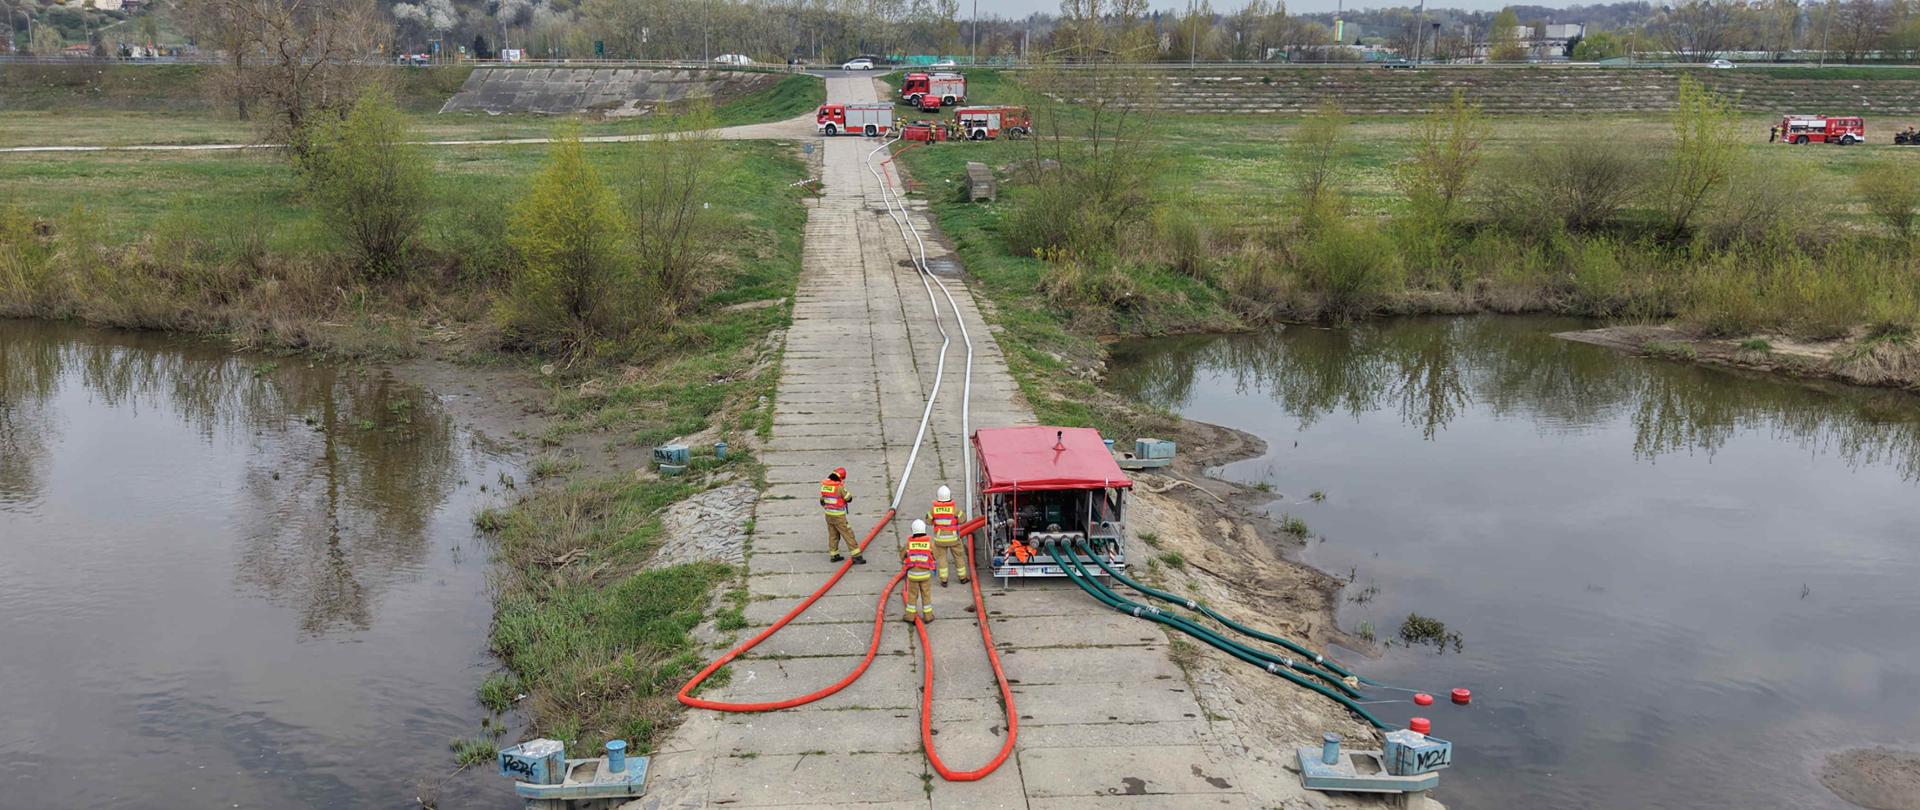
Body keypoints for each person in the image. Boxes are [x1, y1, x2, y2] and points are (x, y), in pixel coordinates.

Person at [820, 467, 866, 564]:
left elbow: (822, 500)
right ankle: (857, 556)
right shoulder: (839, 487)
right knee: (848, 534)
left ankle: (834, 555)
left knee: (833, 535)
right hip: (839, 516)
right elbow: (848, 498)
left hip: (828, 515)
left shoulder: (824, 486)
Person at [926, 484, 968, 587]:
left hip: (940, 540)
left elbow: (928, 521)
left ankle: (944, 580)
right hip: (954, 539)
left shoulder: (933, 510)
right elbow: (963, 519)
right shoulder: (955, 509)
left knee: (942, 559)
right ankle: (962, 578)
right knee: (958, 557)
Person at [900, 520, 936, 622]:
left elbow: (902, 556)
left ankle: (910, 617)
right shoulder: (928, 544)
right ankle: (928, 617)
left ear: (913, 530)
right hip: (925, 575)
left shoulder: (909, 544)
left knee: (912, 596)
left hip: (913, 576)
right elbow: (935, 555)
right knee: (926, 595)